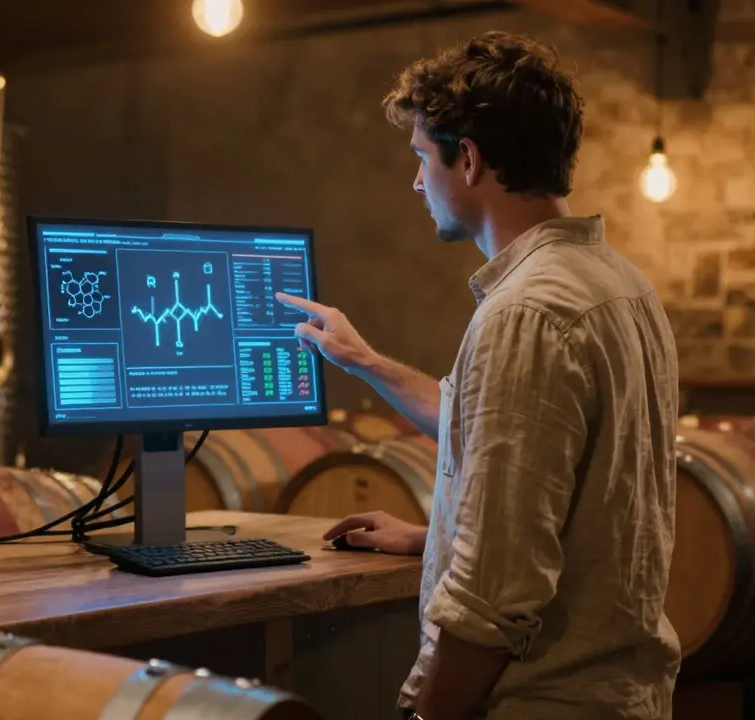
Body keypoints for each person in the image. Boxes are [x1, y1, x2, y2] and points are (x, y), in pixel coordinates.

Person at [277, 31, 680, 719]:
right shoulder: (621, 285)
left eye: (420, 157)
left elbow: (497, 594)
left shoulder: (526, 314)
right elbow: (529, 458)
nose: (415, 181)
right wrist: (367, 365)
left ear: (467, 160)